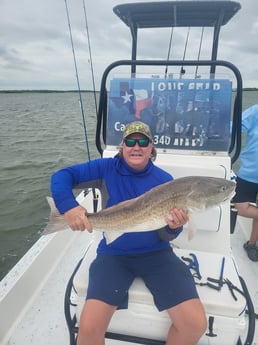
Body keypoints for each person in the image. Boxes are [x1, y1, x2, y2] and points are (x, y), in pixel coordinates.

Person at [51, 121, 207, 345]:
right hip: (114, 255)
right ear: (122, 146)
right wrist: (68, 207)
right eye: (130, 142)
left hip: (157, 255)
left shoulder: (165, 181)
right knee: (88, 328)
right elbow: (61, 176)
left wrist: (174, 227)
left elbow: (167, 236)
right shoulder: (105, 169)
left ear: (151, 147)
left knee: (195, 325)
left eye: (142, 141)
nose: (136, 147)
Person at [232, 105, 258, 261]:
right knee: (240, 207)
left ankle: (252, 244)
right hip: (250, 172)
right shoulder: (256, 110)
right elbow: (235, 126)